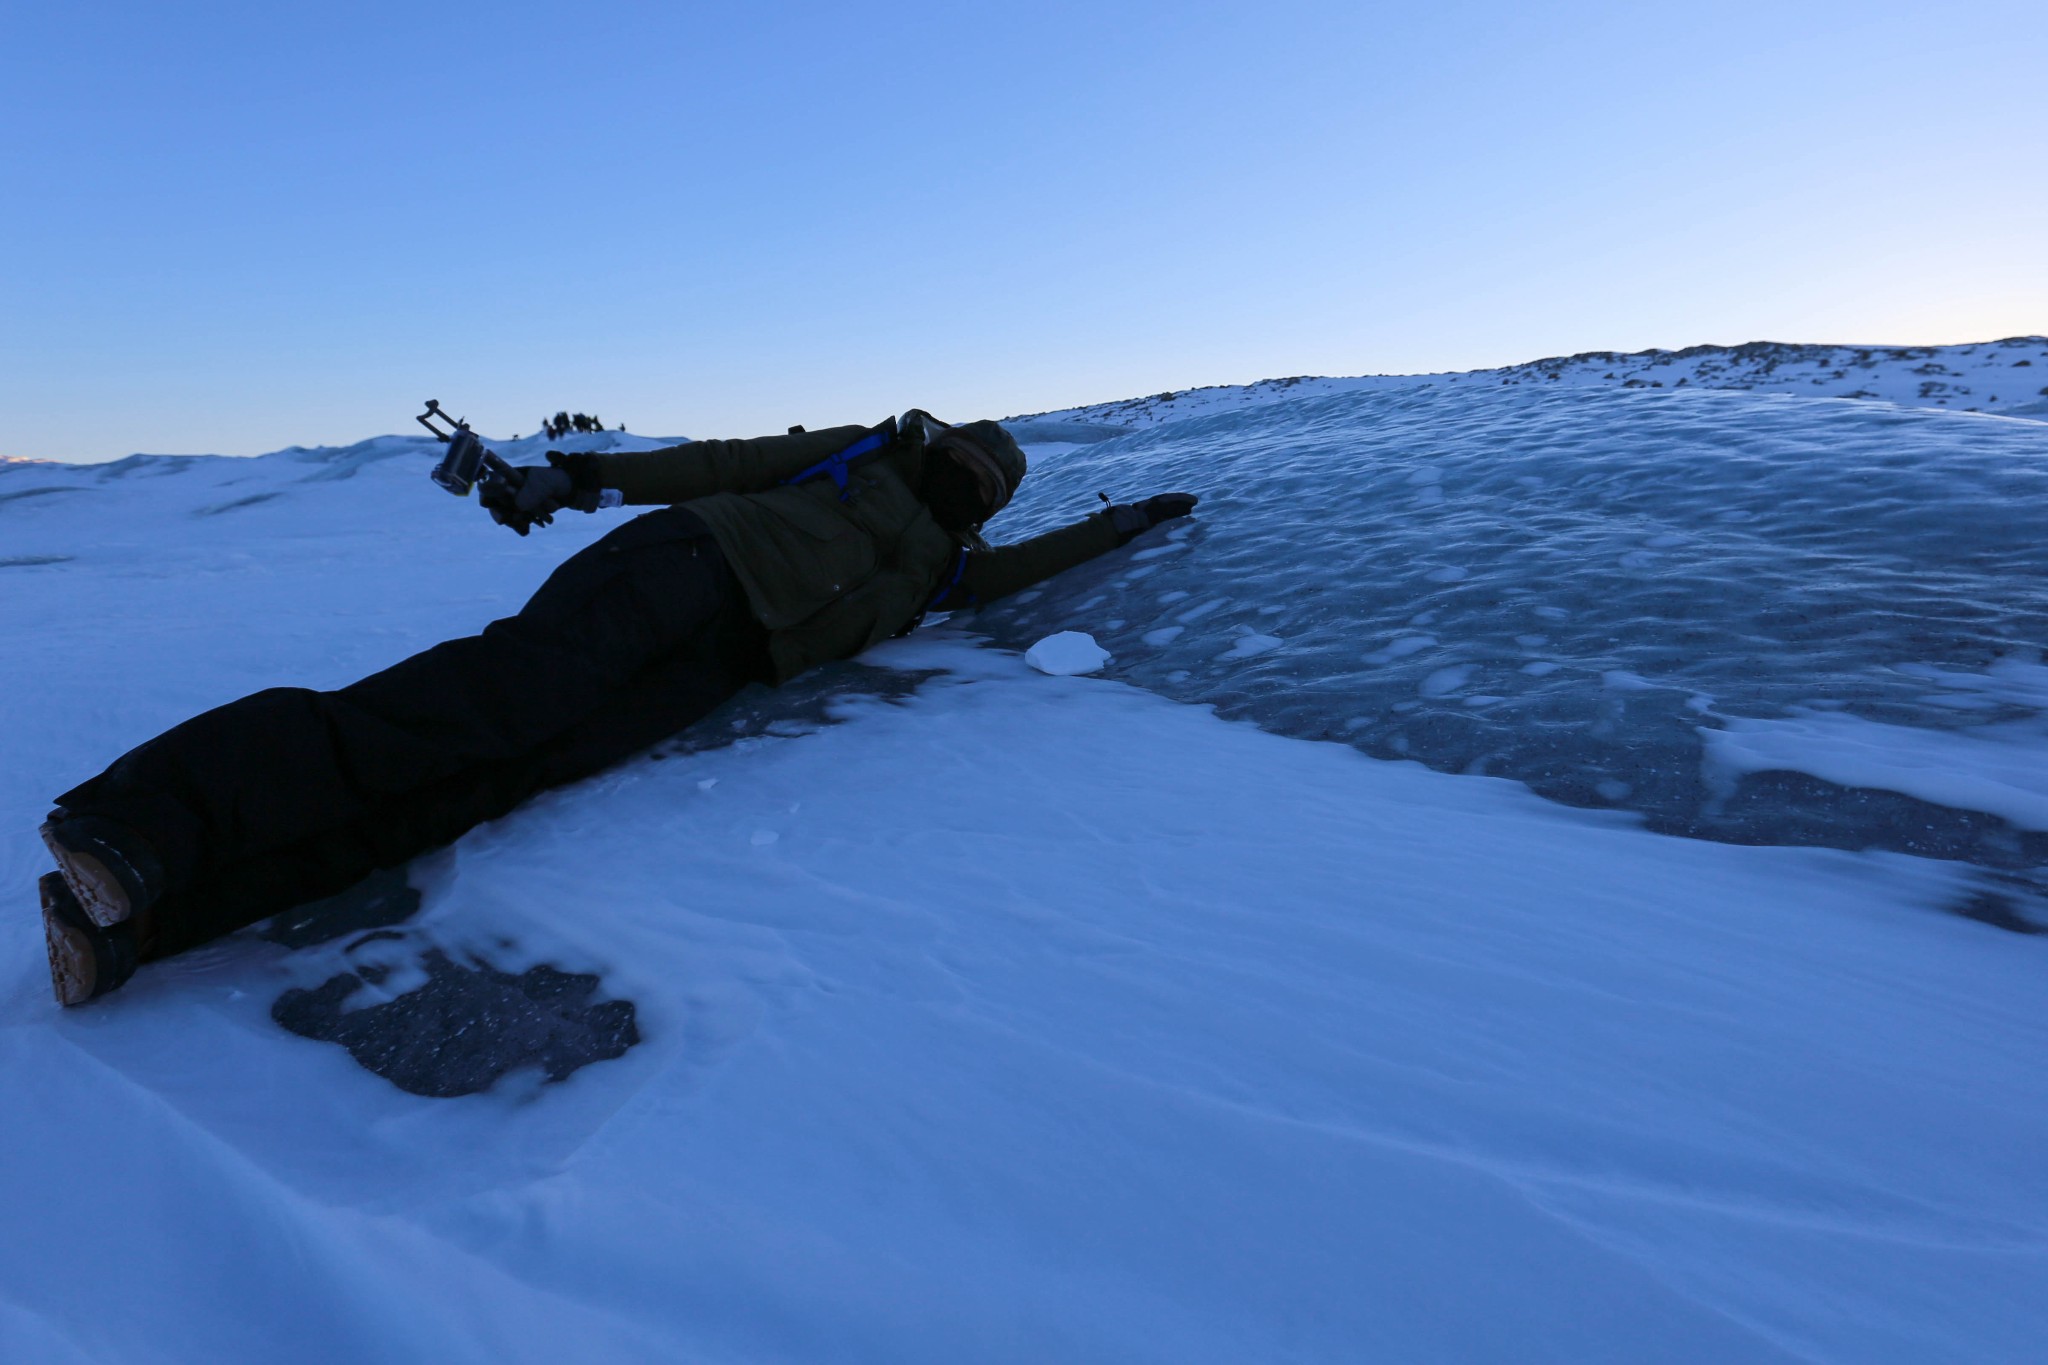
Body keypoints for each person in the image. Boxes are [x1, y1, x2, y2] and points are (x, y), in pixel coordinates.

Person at [37, 412, 1198, 1005]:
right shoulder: (856, 455)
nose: (975, 484)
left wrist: (1127, 524)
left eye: (989, 487)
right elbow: (715, 462)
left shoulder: (945, 568)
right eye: (972, 467)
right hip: (681, 567)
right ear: (944, 449)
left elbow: (1019, 571)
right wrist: (583, 478)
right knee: (471, 709)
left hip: (721, 665)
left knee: (490, 777)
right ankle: (137, 827)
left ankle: (141, 927)